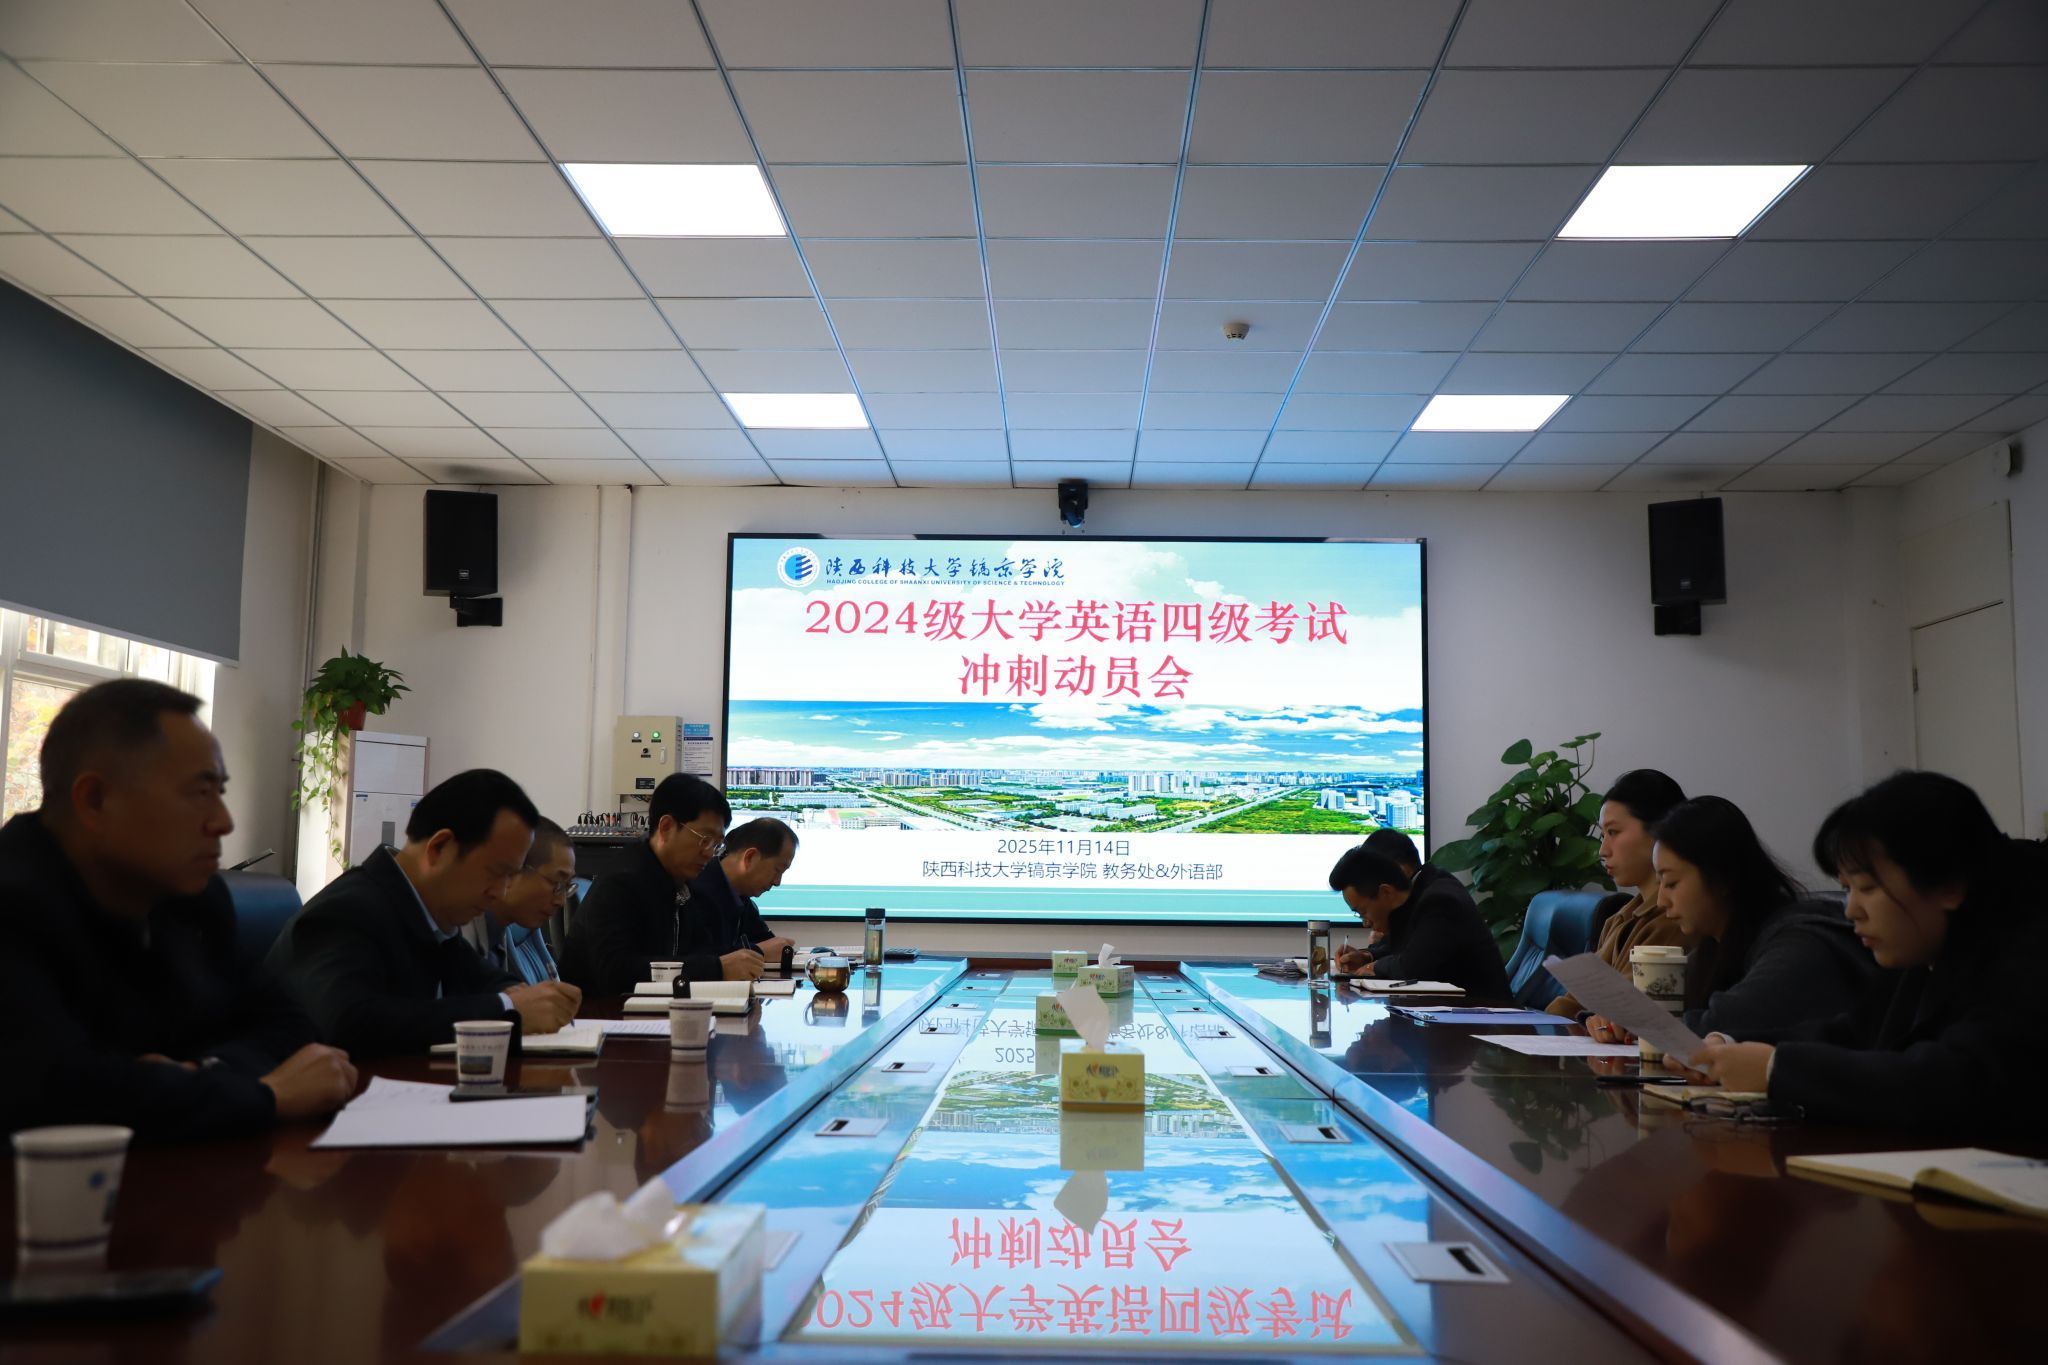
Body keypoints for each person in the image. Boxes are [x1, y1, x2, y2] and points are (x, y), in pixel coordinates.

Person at [0, 679, 355, 1141]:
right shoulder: (14, 902)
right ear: (95, 800)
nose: (223, 822)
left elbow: (291, 1028)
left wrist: (199, 1074)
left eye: (219, 791)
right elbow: (49, 1094)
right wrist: (265, 1095)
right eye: (199, 793)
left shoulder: (194, 900)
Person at [1693, 772, 2048, 1138]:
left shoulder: (2028, 951)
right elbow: (1856, 1033)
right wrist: (1730, 1047)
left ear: (1949, 885)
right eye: (1847, 888)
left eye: (1867, 887)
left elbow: (1959, 1081)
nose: (1850, 910)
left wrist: (1776, 1069)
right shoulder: (1923, 945)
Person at [266, 769, 580, 1056]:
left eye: (511, 876)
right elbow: (349, 1023)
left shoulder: (428, 915)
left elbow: (485, 980)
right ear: (439, 848)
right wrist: (507, 1008)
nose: (501, 891)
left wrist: (527, 998)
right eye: (496, 872)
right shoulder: (347, 911)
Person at [1587, 796, 1872, 1043]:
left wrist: (1643, 1025)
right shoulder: (1714, 948)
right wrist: (1617, 1018)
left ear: (1722, 877)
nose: (1661, 900)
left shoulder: (1799, 941)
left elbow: (1722, 1022)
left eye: (1671, 883)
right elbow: (1655, 1012)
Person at [559, 775, 751, 995]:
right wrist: (716, 968)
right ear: (666, 827)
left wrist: (737, 959)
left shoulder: (679, 880)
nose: (709, 854)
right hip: (599, 1010)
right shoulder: (623, 881)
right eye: (704, 840)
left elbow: (701, 949)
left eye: (716, 845)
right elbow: (616, 972)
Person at [1547, 768, 1689, 1019]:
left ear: (1660, 831)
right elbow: (1573, 1003)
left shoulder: (1675, 920)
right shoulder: (1621, 917)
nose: (1603, 850)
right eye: (1603, 835)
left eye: (1613, 832)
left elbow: (1621, 1014)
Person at [1330, 845, 1511, 997]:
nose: (1366, 923)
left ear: (1385, 892)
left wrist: (1375, 966)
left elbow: (1412, 967)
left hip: (1483, 1016)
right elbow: (1413, 946)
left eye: (1362, 912)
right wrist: (1367, 957)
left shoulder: (1440, 900)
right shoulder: (1419, 894)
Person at [461, 816, 574, 984]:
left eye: (567, 886)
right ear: (513, 870)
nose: (561, 901)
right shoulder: (459, 932)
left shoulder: (496, 933)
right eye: (557, 883)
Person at [683, 817, 798, 967]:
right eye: (777, 870)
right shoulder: (697, 892)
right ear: (750, 857)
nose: (777, 882)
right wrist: (758, 951)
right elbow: (699, 962)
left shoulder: (741, 897)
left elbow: (767, 942)